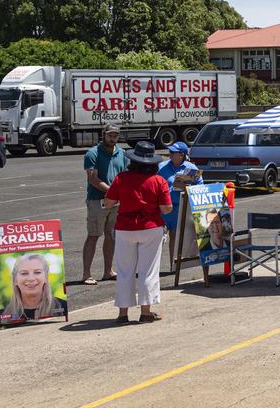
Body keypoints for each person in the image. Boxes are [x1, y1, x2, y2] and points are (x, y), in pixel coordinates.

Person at [103, 141, 172, 324]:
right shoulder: (159, 181)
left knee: (125, 270)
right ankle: (146, 312)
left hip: (125, 227)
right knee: (148, 270)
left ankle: (123, 314)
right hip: (150, 227)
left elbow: (108, 203)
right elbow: (166, 209)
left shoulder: (121, 178)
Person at [81, 125, 128, 285]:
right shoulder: (92, 153)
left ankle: (108, 271)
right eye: (110, 135)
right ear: (104, 135)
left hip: (116, 202)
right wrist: (112, 191)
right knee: (93, 236)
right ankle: (86, 274)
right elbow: (93, 178)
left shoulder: (121, 153)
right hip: (97, 201)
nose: (112, 138)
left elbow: (125, 174)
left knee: (111, 236)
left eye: (115, 135)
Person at [157, 141, 202, 265]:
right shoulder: (161, 166)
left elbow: (200, 187)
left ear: (181, 155)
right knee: (156, 239)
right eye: (170, 152)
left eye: (173, 152)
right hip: (163, 208)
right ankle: (152, 267)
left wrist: (185, 188)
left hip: (180, 208)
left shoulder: (192, 168)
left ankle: (173, 266)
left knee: (175, 237)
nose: (170, 154)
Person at [0, 253, 67, 322]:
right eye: (24, 273)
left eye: (37, 272)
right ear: (15, 280)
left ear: (46, 277)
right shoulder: (0, 316)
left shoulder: (64, 307)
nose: (31, 278)